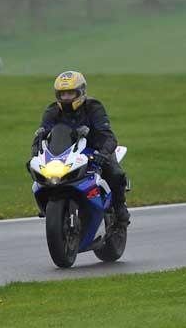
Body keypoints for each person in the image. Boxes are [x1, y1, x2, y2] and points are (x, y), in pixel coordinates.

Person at [31, 71, 130, 227]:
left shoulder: (94, 107)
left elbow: (108, 136)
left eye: (71, 93)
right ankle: (49, 207)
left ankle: (119, 208)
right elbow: (40, 134)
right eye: (63, 94)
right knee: (40, 174)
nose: (67, 98)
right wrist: (35, 155)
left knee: (115, 173)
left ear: (81, 92)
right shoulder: (52, 111)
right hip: (66, 152)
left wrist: (103, 154)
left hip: (95, 149)